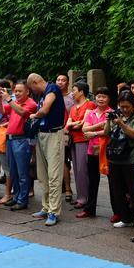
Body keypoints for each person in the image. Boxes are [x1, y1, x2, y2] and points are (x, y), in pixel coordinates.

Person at [27, 73, 67, 226]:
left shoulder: (52, 89)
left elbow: (45, 110)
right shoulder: (43, 94)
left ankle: (53, 211)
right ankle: (46, 207)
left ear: (35, 82)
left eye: (32, 88)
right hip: (42, 134)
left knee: (54, 175)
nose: (33, 92)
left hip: (54, 135)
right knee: (43, 174)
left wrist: (34, 116)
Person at [106, 91, 134, 228]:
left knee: (133, 191)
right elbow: (106, 133)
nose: (124, 109)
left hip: (131, 160)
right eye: (122, 107)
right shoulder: (117, 116)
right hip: (114, 159)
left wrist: (121, 123)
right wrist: (108, 120)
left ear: (133, 105)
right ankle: (125, 217)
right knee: (117, 190)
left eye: (127, 107)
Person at [0, 80, 36, 211]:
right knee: (13, 171)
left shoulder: (31, 103)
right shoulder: (15, 102)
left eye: (20, 91)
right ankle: (16, 196)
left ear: (27, 92)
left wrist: (9, 99)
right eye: (15, 91)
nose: (17, 93)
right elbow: (1, 110)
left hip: (22, 140)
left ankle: (22, 200)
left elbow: (22, 113)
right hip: (10, 140)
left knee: (22, 172)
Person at [80, 87, 112, 218]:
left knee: (113, 182)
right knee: (92, 181)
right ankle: (89, 209)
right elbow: (84, 129)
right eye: (99, 96)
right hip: (92, 150)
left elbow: (108, 131)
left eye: (104, 96)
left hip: (107, 151)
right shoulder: (91, 113)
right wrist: (99, 126)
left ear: (109, 99)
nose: (101, 99)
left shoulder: (111, 113)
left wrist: (92, 132)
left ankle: (118, 212)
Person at [66, 81, 95, 214]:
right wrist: (74, 124)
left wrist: (74, 124)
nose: (72, 93)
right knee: (77, 170)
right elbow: (68, 124)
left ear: (82, 92)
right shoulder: (73, 107)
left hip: (84, 140)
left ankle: (85, 197)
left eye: (74, 90)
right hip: (74, 140)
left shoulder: (90, 105)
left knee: (83, 169)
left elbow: (83, 124)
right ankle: (80, 196)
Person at [56, 73, 75, 203]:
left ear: (68, 83)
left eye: (63, 80)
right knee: (61, 161)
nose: (60, 82)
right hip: (57, 131)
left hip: (71, 131)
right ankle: (66, 187)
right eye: (58, 80)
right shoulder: (52, 95)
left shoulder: (72, 96)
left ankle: (68, 187)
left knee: (70, 161)